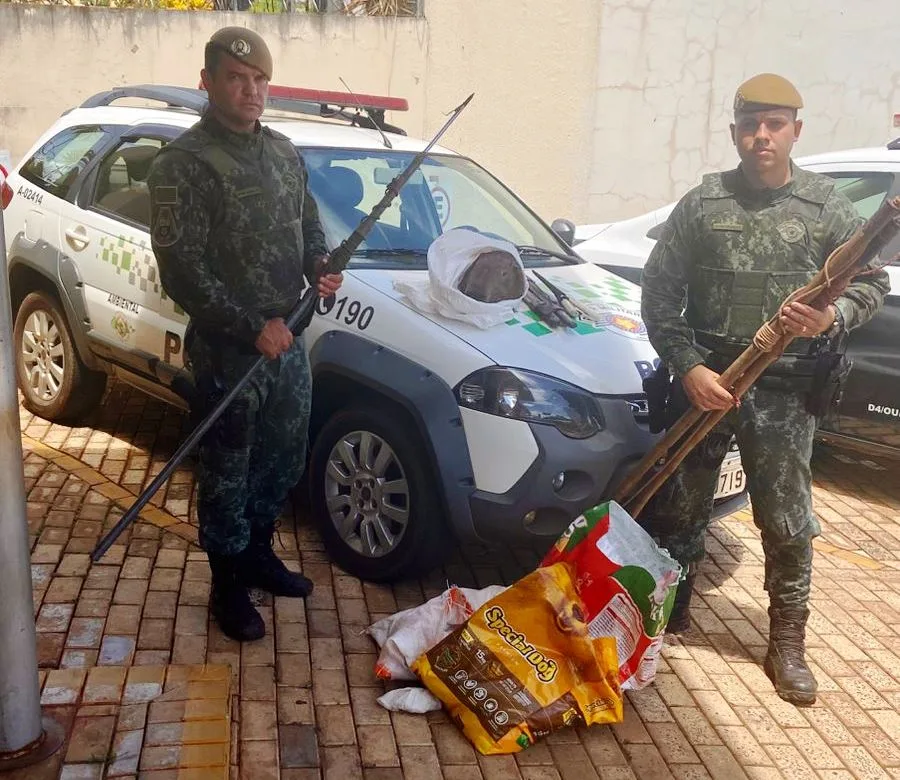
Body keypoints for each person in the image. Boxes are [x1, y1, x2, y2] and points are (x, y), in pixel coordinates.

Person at [640, 73, 889, 706]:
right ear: (734, 133)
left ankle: (786, 643)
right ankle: (669, 614)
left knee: (785, 519)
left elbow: (871, 283)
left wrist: (832, 316)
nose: (761, 136)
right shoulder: (704, 203)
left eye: (774, 124)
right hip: (708, 382)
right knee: (680, 508)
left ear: (795, 131)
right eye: (751, 125)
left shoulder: (829, 207)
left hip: (782, 390)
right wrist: (688, 366)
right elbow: (661, 292)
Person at [147, 27, 344, 642]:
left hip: (288, 342)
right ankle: (227, 583)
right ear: (207, 82)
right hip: (230, 351)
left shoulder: (284, 153)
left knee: (283, 459)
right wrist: (249, 326)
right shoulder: (183, 165)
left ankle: (259, 553)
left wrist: (321, 264)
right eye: (237, 78)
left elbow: (308, 226)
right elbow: (182, 269)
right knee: (227, 471)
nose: (251, 90)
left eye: (260, 79)